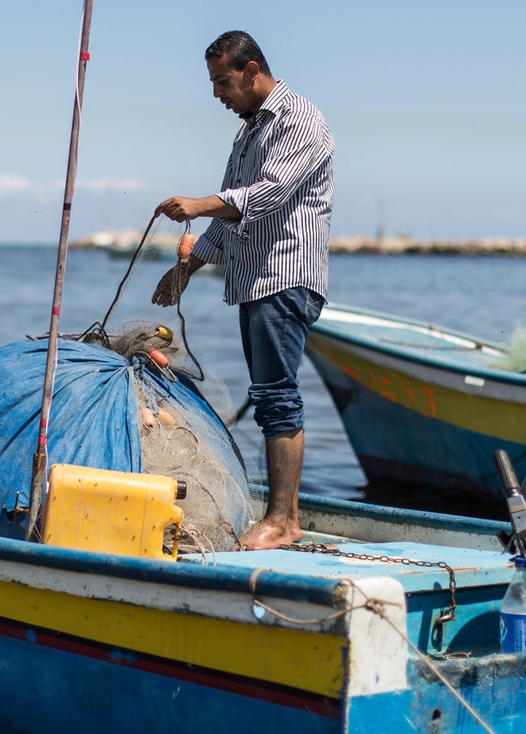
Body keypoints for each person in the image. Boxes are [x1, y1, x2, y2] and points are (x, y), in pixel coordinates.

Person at [152, 30, 334, 550]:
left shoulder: (299, 118)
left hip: (286, 276)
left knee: (277, 396)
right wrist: (187, 269)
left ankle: (282, 522)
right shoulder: (249, 132)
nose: (217, 95)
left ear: (252, 70)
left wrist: (199, 202)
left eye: (222, 82)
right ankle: (287, 516)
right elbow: (232, 218)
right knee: (268, 395)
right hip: (255, 279)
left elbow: (268, 195)